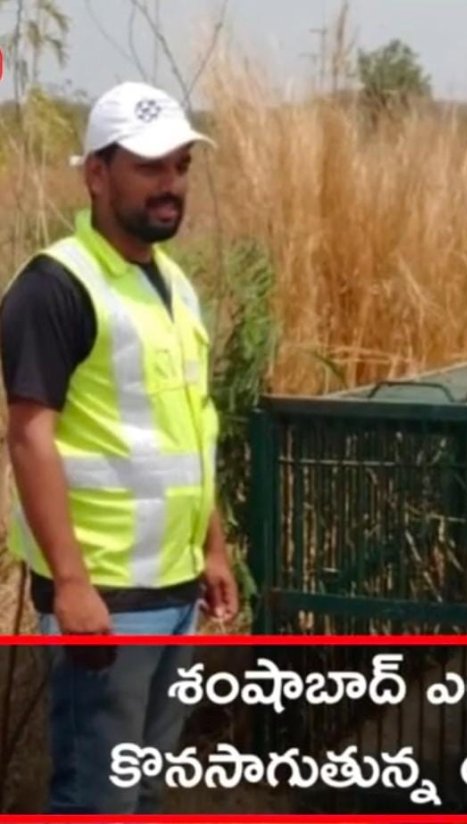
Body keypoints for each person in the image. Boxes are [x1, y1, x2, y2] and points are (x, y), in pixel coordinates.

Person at [1, 81, 239, 814]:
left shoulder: (172, 285)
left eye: (180, 167)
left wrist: (213, 548)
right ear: (96, 174)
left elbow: (189, 429)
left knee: (140, 787)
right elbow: (29, 434)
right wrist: (71, 583)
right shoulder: (56, 286)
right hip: (104, 596)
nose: (170, 186)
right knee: (95, 794)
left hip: (172, 590)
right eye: (149, 167)